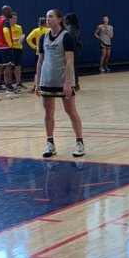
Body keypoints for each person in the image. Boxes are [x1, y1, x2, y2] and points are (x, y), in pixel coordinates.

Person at [34, 8, 85, 158]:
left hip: (63, 79)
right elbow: (40, 60)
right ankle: (50, 144)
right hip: (47, 80)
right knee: (48, 112)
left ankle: (80, 143)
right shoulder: (43, 38)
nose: (48, 19)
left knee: (71, 111)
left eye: (51, 17)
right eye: (47, 17)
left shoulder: (67, 37)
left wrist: (68, 82)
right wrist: (37, 81)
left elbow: (69, 61)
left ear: (59, 19)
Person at [0, 5, 14, 92]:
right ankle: (9, 85)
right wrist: (9, 43)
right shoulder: (6, 21)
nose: (11, 13)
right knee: (8, 66)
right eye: (10, 11)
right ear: (6, 12)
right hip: (5, 47)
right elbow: (5, 31)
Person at [26, 17, 50, 94]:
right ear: (46, 23)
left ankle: (35, 86)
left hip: (38, 52)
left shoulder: (36, 30)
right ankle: (47, 86)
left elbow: (28, 39)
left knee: (38, 71)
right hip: (47, 52)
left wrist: (35, 47)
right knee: (47, 70)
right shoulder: (49, 30)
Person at [63, 13, 82, 91]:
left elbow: (71, 41)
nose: (64, 21)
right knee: (73, 66)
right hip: (77, 48)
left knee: (71, 66)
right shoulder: (75, 27)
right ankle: (76, 84)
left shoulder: (70, 28)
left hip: (73, 49)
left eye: (65, 19)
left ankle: (74, 84)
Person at [9, 13, 25, 90]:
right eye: (14, 18)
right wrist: (16, 39)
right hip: (11, 48)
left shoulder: (19, 27)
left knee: (18, 67)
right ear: (10, 19)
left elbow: (20, 37)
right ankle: (9, 84)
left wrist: (21, 39)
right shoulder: (7, 28)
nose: (15, 20)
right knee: (10, 67)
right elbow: (7, 38)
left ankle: (18, 82)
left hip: (19, 48)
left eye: (16, 18)